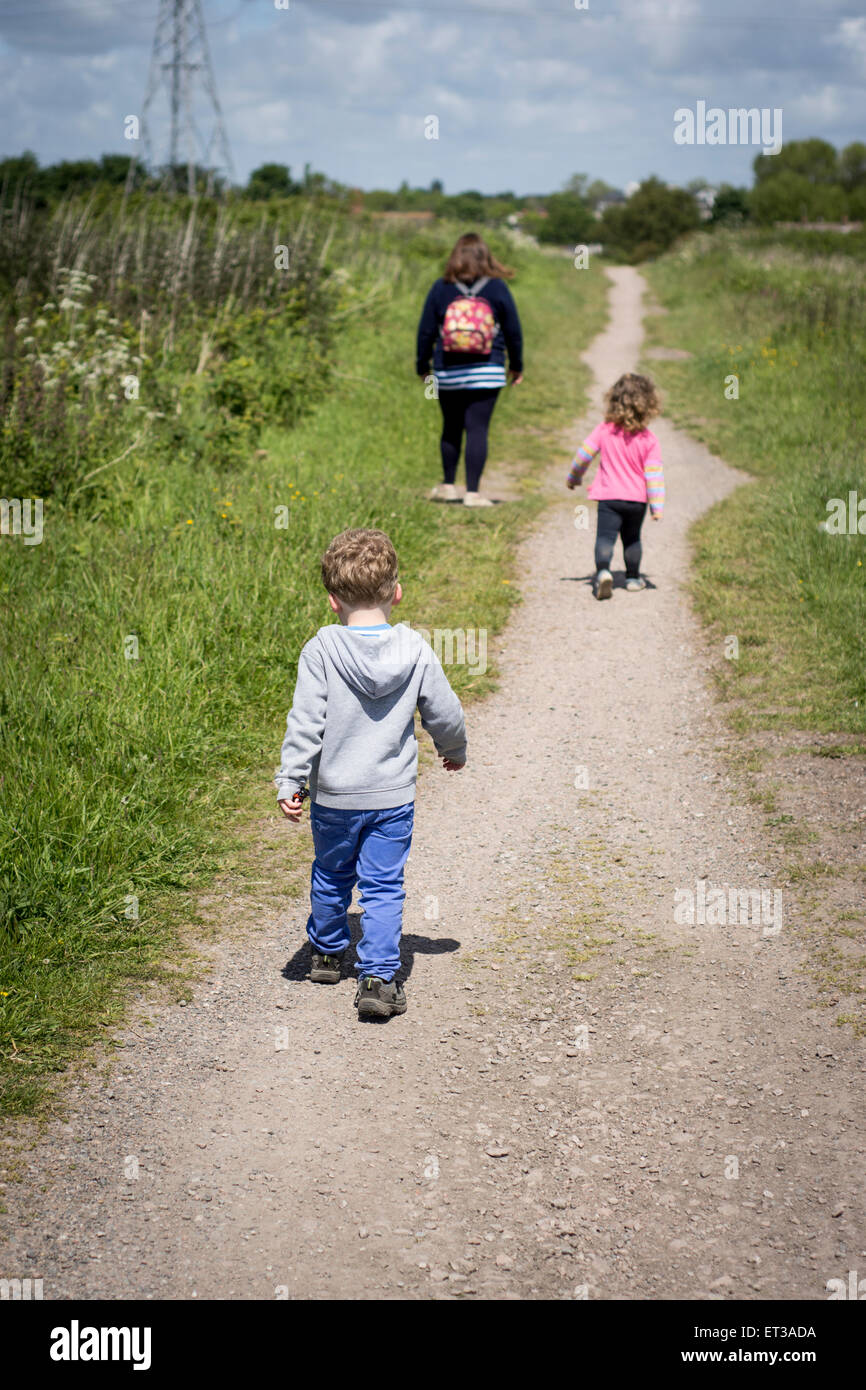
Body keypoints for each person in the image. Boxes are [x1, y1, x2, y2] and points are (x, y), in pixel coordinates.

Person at [275, 528, 466, 1018]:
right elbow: (443, 713)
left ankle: (325, 952)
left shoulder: (320, 651)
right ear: (396, 593)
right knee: (382, 886)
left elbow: (305, 722)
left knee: (332, 873)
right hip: (390, 798)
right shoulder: (416, 650)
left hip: (335, 797)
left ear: (332, 601)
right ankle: (379, 979)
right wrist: (454, 749)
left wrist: (291, 779)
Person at [416, 232, 523, 508]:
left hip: (448, 371)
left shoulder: (441, 288)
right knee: (478, 429)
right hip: (487, 371)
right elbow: (513, 331)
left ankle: (449, 486)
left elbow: (426, 331)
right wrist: (516, 366)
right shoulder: (498, 288)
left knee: (451, 428)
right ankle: (473, 493)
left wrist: (422, 366)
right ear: (485, 256)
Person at [566, 373, 665, 599]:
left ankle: (603, 572)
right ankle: (632, 578)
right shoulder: (649, 440)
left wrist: (574, 477)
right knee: (632, 538)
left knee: (605, 538)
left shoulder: (605, 430)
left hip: (609, 498)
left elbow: (584, 455)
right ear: (649, 404)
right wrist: (657, 507)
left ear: (614, 400)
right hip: (636, 501)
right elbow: (654, 475)